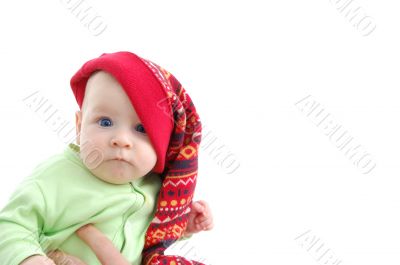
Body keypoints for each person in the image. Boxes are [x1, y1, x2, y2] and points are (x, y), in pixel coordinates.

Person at [0, 51, 213, 265]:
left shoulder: (156, 188)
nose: (121, 140)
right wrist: (30, 259)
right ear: (79, 126)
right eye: (105, 122)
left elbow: (154, 233)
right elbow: (10, 226)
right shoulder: (55, 178)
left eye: (141, 128)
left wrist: (184, 225)